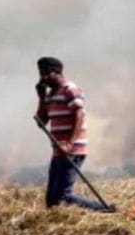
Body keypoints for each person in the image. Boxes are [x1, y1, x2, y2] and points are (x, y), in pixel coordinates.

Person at [35, 56, 110, 211]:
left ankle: (105, 210)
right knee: (51, 200)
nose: (42, 78)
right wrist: (41, 98)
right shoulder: (51, 94)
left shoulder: (70, 89)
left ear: (56, 72)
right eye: (40, 74)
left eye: (45, 73)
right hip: (58, 151)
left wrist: (70, 143)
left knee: (63, 196)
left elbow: (79, 114)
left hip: (72, 150)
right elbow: (41, 122)